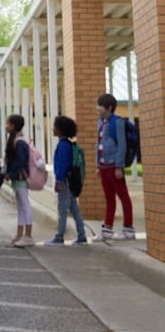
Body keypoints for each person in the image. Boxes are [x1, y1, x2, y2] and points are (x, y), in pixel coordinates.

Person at [94, 93, 135, 240]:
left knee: (123, 196)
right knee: (109, 197)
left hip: (114, 165)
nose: (97, 108)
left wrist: (119, 166)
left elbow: (122, 146)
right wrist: (98, 164)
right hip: (104, 166)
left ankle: (128, 228)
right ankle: (107, 229)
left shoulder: (117, 122)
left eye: (100, 105)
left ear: (109, 107)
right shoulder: (100, 122)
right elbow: (98, 144)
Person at [44, 116, 87, 246]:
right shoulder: (68, 145)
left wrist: (58, 181)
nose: (53, 129)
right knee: (74, 208)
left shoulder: (62, 146)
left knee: (62, 208)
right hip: (70, 179)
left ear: (60, 130)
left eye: (55, 127)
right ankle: (81, 235)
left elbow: (62, 165)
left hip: (64, 181)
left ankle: (59, 236)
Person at [4, 114, 35, 247]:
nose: (6, 126)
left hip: (20, 177)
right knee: (21, 207)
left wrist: (10, 173)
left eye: (8, 124)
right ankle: (20, 234)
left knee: (24, 206)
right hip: (18, 178)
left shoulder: (19, 142)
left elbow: (20, 161)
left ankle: (27, 235)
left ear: (14, 126)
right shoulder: (16, 140)